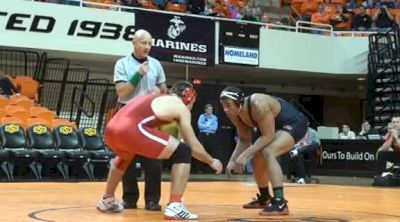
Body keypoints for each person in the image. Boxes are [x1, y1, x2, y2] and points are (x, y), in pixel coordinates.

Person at [97, 81, 223, 220]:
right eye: (193, 101)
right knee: (183, 151)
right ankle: (175, 205)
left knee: (124, 157)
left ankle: (107, 200)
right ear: (189, 96)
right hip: (132, 129)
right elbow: (193, 145)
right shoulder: (181, 107)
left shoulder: (157, 96)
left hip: (111, 129)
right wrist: (211, 161)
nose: (193, 105)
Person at [220, 86, 308, 216]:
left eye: (228, 105)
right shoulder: (234, 114)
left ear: (239, 102)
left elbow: (268, 136)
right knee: (257, 157)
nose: (226, 109)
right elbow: (244, 140)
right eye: (223, 105)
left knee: (269, 152)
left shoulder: (257, 103)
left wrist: (245, 155)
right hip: (273, 128)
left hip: (294, 123)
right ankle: (265, 197)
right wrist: (233, 160)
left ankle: (280, 203)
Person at [113, 29, 167, 211]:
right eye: (143, 42)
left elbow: (164, 89)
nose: (147, 47)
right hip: (127, 114)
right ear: (134, 43)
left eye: (150, 43)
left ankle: (152, 200)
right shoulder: (121, 64)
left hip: (150, 115)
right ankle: (129, 199)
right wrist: (138, 75)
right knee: (126, 158)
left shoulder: (157, 64)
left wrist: (159, 92)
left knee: (153, 159)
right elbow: (122, 93)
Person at [194, 103, 218, 173]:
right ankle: (200, 169)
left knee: (211, 152)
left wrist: (206, 126)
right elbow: (200, 126)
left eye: (211, 109)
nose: (210, 111)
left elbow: (214, 128)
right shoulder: (202, 116)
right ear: (205, 110)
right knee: (202, 151)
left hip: (211, 136)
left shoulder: (214, 118)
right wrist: (208, 127)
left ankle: (211, 169)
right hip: (202, 135)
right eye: (209, 109)